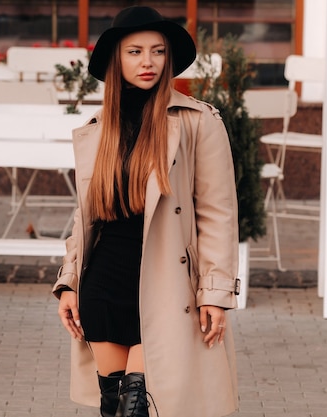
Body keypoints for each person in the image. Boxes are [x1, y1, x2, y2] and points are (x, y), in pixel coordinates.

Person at [53, 6, 240, 417]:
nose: (148, 62)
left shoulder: (197, 121)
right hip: (103, 285)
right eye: (135, 52)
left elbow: (217, 212)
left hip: (165, 287)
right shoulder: (99, 128)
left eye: (157, 51)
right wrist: (68, 283)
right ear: (117, 60)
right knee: (113, 407)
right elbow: (86, 217)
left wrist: (216, 293)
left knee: (139, 407)